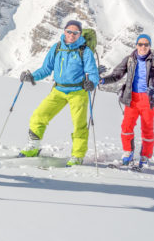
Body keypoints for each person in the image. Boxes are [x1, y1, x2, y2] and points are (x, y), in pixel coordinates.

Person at [18, 20, 100, 166]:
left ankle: (77, 156)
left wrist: (92, 83)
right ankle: (33, 147)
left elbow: (92, 72)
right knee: (39, 115)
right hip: (58, 90)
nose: (71, 35)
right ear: (64, 32)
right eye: (69, 31)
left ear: (80, 34)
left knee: (79, 125)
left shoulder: (85, 51)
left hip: (78, 92)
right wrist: (32, 76)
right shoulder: (57, 48)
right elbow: (46, 69)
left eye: (75, 33)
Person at [100, 34, 154, 169]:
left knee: (147, 129)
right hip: (131, 98)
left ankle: (145, 156)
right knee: (126, 126)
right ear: (136, 45)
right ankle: (128, 152)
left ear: (149, 46)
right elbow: (116, 75)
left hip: (148, 99)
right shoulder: (129, 60)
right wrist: (102, 80)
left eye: (146, 45)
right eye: (140, 44)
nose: (143, 47)